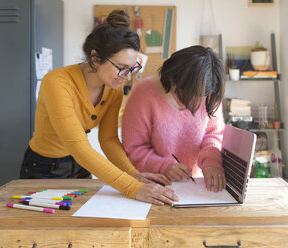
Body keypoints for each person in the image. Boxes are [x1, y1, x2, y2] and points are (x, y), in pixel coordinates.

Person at [20, 10, 178, 206]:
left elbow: (109, 139)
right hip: (43, 168)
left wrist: (133, 174)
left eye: (132, 69)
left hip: (80, 165)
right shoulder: (57, 82)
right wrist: (132, 187)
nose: (128, 77)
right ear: (95, 58)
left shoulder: (114, 89)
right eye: (122, 68)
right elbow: (78, 146)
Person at [122, 45, 226, 192]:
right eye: (183, 95)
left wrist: (212, 161)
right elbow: (134, 148)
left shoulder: (209, 93)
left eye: (197, 99)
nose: (189, 104)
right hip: (151, 185)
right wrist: (164, 167)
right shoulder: (144, 93)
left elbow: (213, 134)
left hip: (195, 186)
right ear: (171, 77)